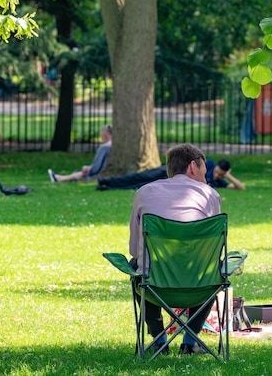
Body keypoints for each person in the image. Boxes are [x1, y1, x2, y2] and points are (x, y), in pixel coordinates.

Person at [128, 144, 222, 355]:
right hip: (200, 287)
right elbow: (213, 253)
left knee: (138, 268)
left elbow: (135, 249)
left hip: (155, 288)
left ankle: (158, 339)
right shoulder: (210, 195)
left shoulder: (143, 193)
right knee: (214, 268)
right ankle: (190, 341)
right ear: (192, 167)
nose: (206, 180)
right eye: (204, 173)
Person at [98, 157, 245, 191]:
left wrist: (228, 176)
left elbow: (241, 188)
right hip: (170, 172)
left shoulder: (220, 182)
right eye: (218, 172)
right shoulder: (209, 163)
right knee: (141, 176)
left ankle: (108, 188)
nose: (217, 175)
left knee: (141, 185)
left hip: (173, 182)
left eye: (221, 174)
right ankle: (109, 181)